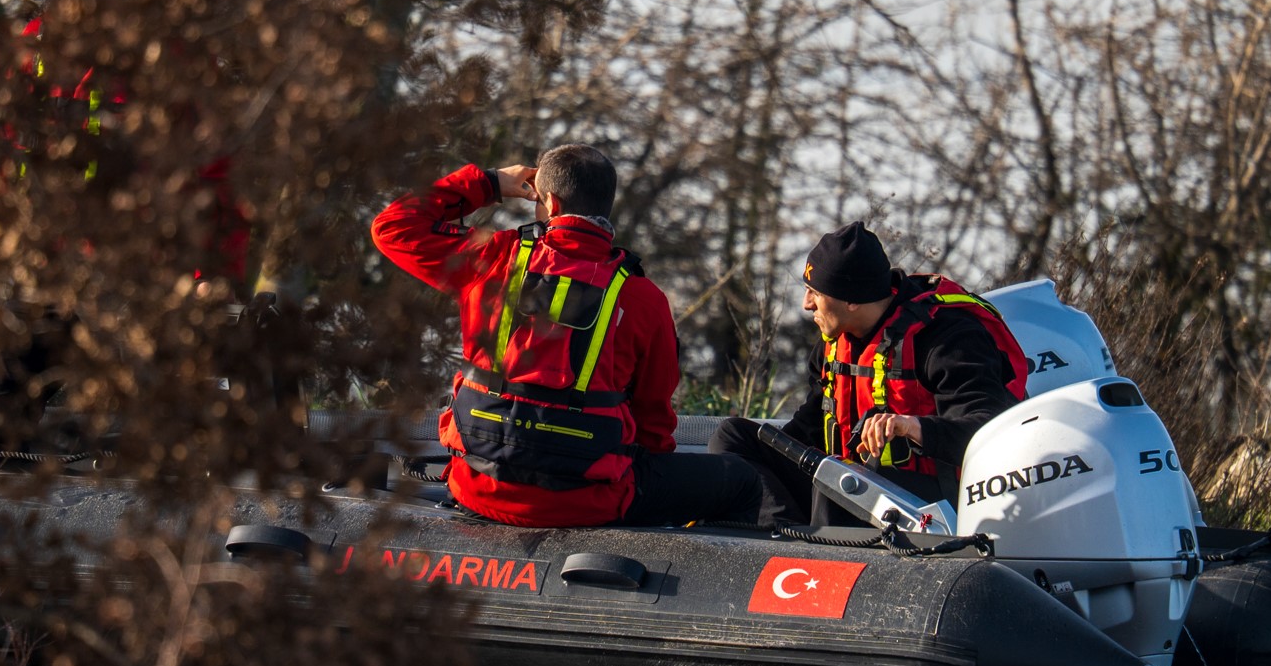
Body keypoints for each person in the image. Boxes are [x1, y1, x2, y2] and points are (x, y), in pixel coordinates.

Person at [371, 146, 765, 529]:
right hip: (590, 502)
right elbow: (653, 421)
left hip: (478, 488)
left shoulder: (492, 258)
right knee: (743, 480)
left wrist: (489, 183)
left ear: (552, 205)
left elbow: (392, 227)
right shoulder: (645, 299)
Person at [710, 222, 1031, 526]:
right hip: (852, 490)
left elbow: (989, 432)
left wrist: (913, 427)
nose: (806, 304)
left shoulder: (948, 338)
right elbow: (807, 431)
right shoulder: (833, 345)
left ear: (851, 300)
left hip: (930, 507)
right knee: (735, 435)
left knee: (837, 483)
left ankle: (806, 553)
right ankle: (779, 540)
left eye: (815, 293)